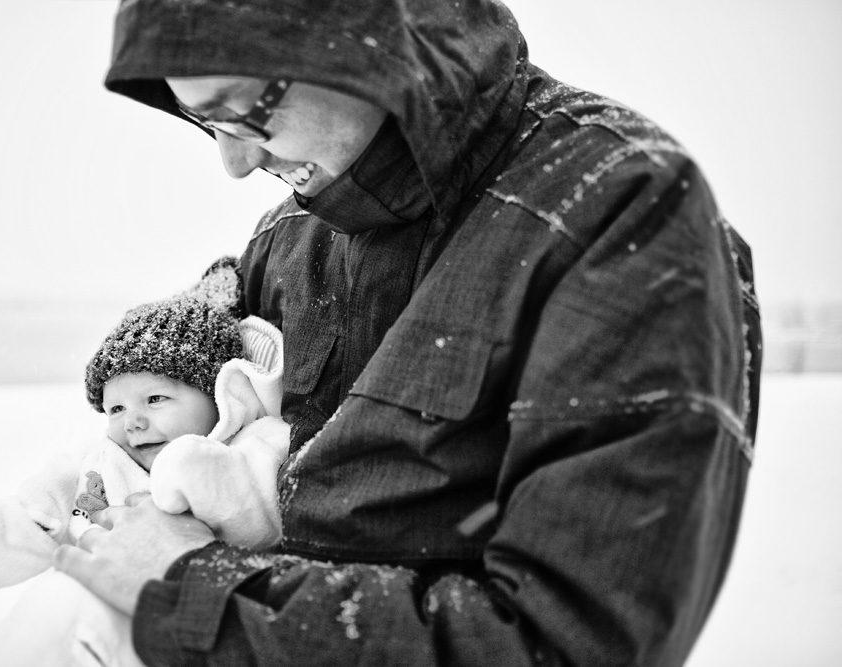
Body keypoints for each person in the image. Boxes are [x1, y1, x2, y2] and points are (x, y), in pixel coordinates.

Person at [54, 1, 763, 666]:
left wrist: (192, 585)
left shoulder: (617, 211)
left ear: (364, 38)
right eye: (205, 123)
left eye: (245, 111)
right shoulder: (287, 238)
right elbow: (195, 456)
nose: (235, 165)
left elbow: (564, 641)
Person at [0, 258, 288, 665]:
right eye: (115, 408)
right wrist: (23, 526)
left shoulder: (251, 448)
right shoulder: (100, 460)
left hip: (199, 628)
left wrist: (194, 471)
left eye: (155, 399)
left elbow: (260, 513)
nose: (133, 421)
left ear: (220, 394)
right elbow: (48, 499)